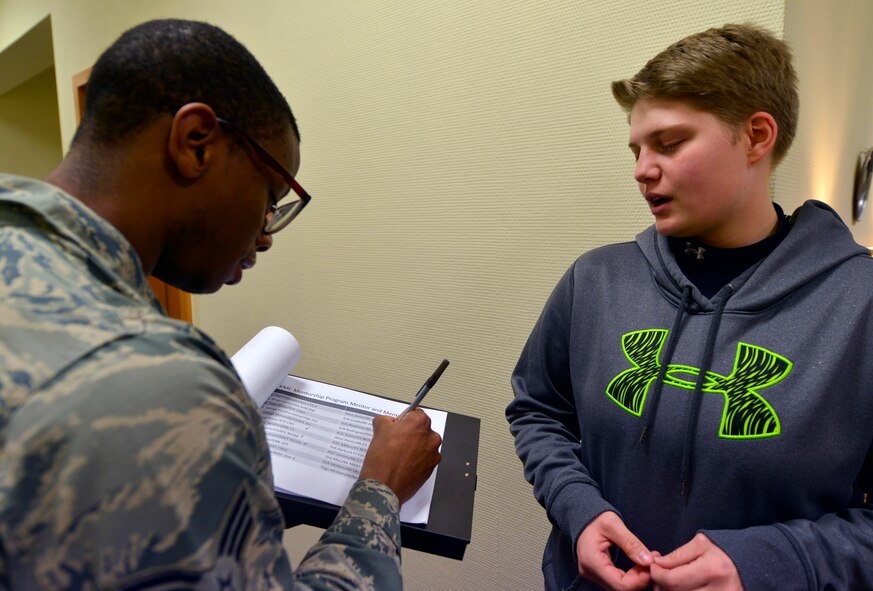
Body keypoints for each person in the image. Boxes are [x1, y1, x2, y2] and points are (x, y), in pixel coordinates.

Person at [0, 19, 442, 590]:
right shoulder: (165, 389)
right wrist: (379, 492)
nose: (266, 233)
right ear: (196, 144)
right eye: (271, 197)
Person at [506, 23, 873, 590]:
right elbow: (538, 411)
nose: (641, 170)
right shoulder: (596, 280)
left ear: (756, 136)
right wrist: (578, 510)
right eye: (637, 149)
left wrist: (769, 563)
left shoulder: (860, 308)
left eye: (670, 144)